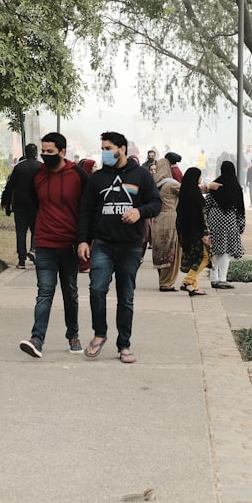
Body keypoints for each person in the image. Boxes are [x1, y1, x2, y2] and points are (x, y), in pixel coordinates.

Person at [77, 131, 162, 364]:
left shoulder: (142, 176)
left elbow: (156, 203)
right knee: (97, 289)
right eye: (102, 148)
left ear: (122, 148)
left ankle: (124, 345)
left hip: (130, 246)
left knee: (125, 297)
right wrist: (83, 240)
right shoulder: (97, 179)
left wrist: (139, 212)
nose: (104, 153)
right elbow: (85, 211)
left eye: (108, 148)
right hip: (102, 244)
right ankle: (99, 333)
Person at [18, 132, 90, 358]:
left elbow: (86, 210)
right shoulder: (38, 175)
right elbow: (34, 202)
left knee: (70, 291)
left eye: (50, 152)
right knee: (45, 291)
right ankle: (36, 339)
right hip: (46, 244)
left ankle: (73, 335)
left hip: (70, 245)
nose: (45, 156)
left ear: (62, 152)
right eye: (43, 151)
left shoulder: (77, 175)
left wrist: (83, 240)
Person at [0, 144, 42, 269]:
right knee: (37, 230)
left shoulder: (19, 167)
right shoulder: (41, 167)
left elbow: (10, 185)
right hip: (36, 205)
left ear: (26, 152)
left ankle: (22, 260)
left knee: (21, 232)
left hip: (20, 205)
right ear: (36, 153)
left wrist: (4, 201)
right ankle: (34, 251)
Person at [205, 161, 245, 289]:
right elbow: (240, 208)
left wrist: (206, 222)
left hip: (214, 219)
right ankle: (222, 279)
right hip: (230, 220)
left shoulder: (215, 185)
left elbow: (207, 204)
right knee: (226, 250)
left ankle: (214, 277)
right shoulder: (236, 187)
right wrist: (241, 225)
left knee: (215, 248)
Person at [176, 167, 211, 296]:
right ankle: (188, 281)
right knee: (205, 257)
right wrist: (205, 234)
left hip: (187, 233)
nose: (201, 178)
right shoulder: (196, 195)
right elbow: (201, 217)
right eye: (199, 176)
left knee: (195, 258)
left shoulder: (184, 194)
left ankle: (194, 286)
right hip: (198, 233)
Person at [149, 158, 182, 292]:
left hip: (156, 221)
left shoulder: (153, 185)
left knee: (161, 251)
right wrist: (208, 187)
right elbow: (189, 190)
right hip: (170, 220)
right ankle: (167, 283)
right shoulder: (170, 185)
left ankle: (162, 280)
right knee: (172, 250)